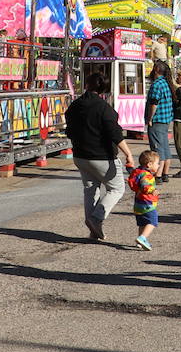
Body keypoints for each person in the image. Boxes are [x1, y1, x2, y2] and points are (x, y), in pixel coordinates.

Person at [64, 70, 135, 242]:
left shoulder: (75, 105)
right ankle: (96, 219)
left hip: (80, 156)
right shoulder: (104, 108)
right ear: (104, 88)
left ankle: (94, 229)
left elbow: (68, 129)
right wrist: (129, 154)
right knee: (117, 188)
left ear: (87, 85)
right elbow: (115, 134)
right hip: (102, 157)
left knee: (90, 190)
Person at [144, 61, 174, 183]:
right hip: (166, 120)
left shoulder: (156, 85)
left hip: (157, 120)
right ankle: (165, 173)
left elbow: (154, 104)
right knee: (165, 147)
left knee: (157, 149)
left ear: (156, 70)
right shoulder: (166, 83)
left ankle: (158, 175)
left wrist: (149, 118)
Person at [128, 150, 160, 251]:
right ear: (149, 164)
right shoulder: (147, 175)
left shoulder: (138, 171)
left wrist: (128, 166)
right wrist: (152, 190)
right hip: (148, 203)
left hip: (138, 203)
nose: (158, 166)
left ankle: (140, 242)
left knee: (142, 223)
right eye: (157, 163)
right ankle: (142, 238)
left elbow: (132, 176)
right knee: (152, 222)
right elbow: (144, 186)